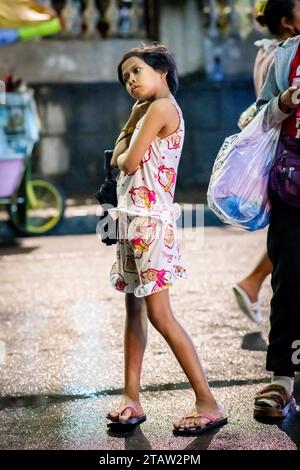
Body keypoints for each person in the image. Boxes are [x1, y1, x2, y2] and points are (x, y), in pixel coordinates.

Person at [106, 44, 227, 435]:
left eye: (137, 71)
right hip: (132, 222)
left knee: (159, 315)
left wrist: (128, 133)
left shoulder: (159, 108)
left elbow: (124, 160)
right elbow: (120, 158)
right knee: (134, 312)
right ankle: (131, 398)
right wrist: (130, 129)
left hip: (150, 225)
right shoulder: (146, 109)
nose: (131, 81)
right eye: (126, 76)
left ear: (161, 71)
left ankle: (207, 401)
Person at [233, 0, 300, 325]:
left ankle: (252, 284)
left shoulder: (266, 51)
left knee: (289, 249)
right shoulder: (284, 53)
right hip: (287, 159)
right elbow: (265, 107)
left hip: (283, 161)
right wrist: (284, 102)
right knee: (289, 252)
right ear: (288, 23)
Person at [251, 0, 300, 418]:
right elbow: (255, 116)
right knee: (290, 279)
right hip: (293, 183)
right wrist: (283, 102)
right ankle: (284, 378)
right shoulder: (285, 55)